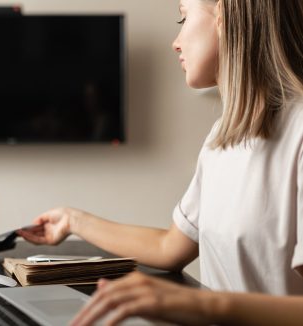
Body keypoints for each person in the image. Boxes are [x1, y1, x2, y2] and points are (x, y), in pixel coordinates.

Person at [17, 0, 303, 324]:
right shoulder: (220, 139)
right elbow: (170, 247)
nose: (175, 42)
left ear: (224, 16)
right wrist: (72, 221)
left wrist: (200, 304)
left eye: (183, 19)